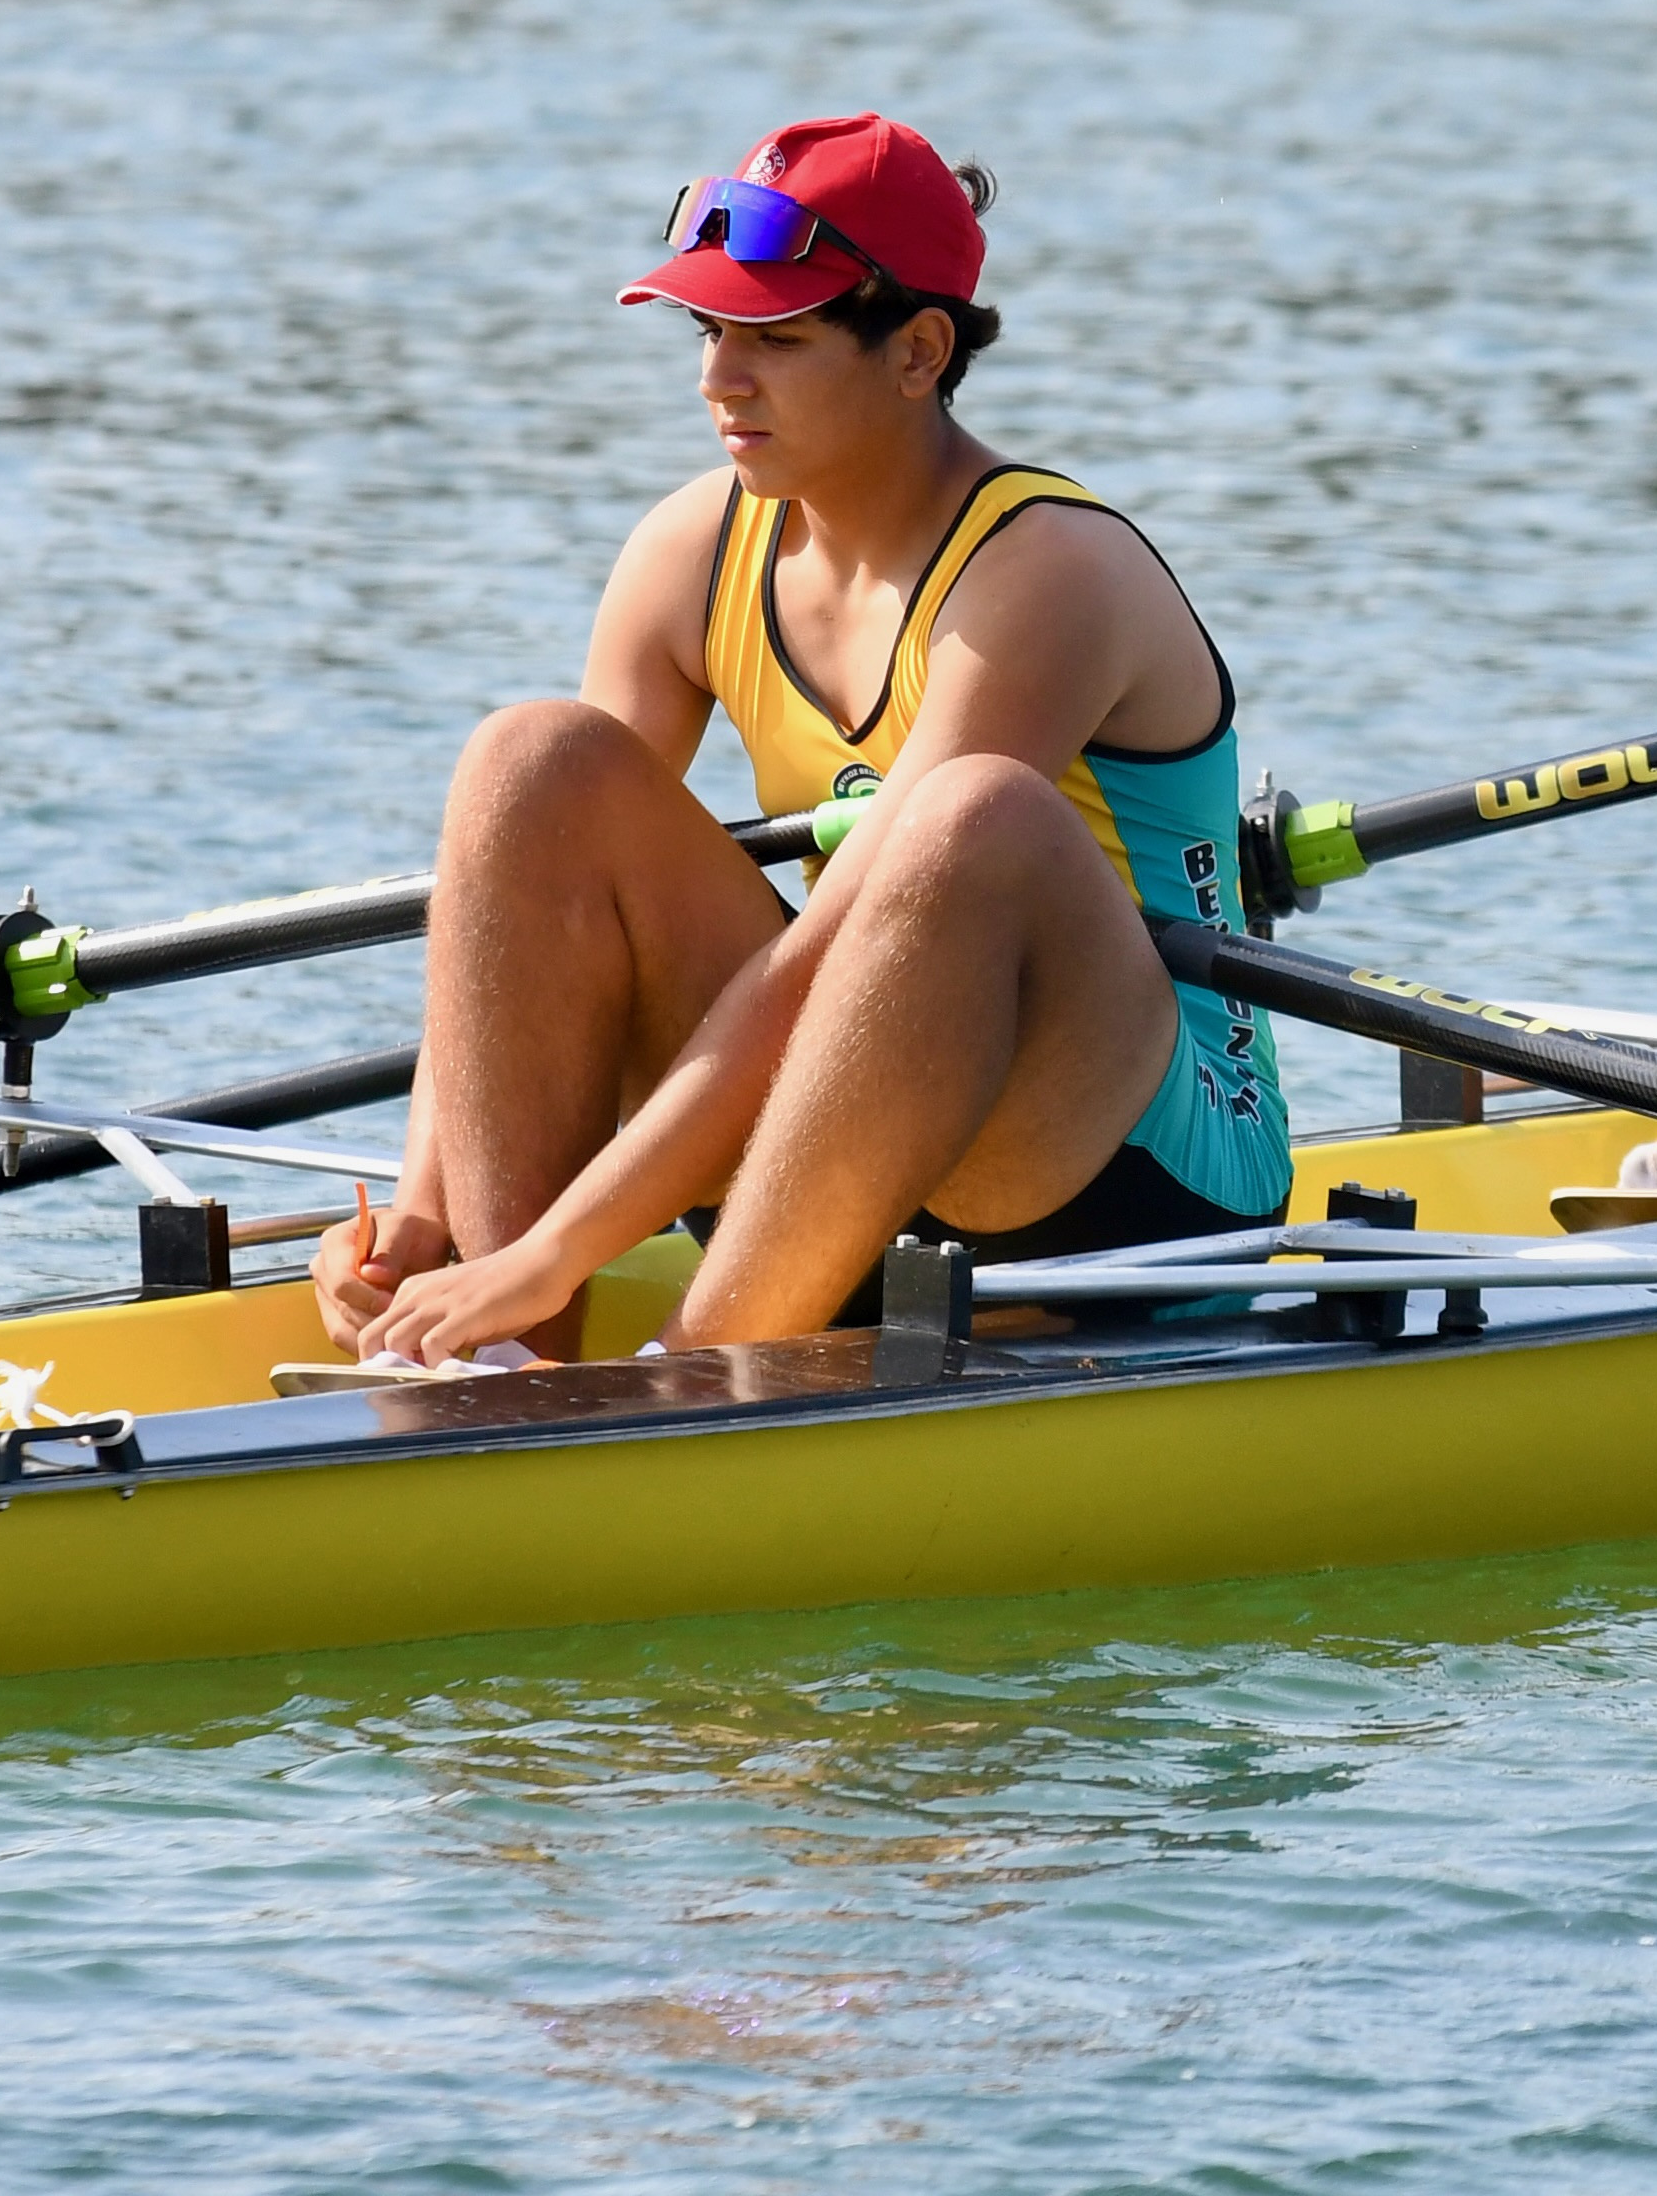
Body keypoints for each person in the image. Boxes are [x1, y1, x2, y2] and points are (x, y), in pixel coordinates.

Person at [328, 114, 1287, 1362]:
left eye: (776, 338)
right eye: (711, 329)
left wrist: (566, 1234)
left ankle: (688, 1378)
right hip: (854, 1118)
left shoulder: (1048, 570)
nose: (720, 377)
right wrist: (424, 1215)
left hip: (1133, 1177)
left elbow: (830, 953)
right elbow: (508, 907)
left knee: (963, 822)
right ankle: (500, 1352)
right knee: (529, 763)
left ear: (918, 351)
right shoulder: (691, 550)